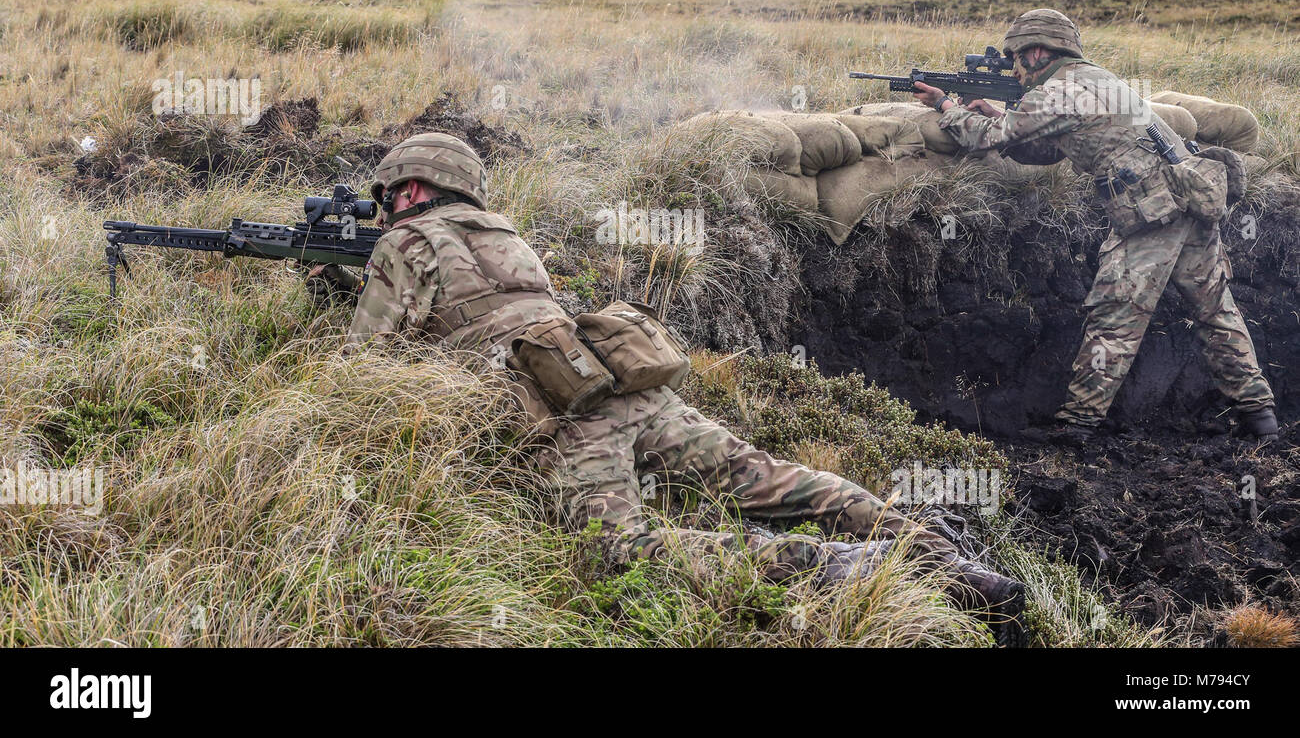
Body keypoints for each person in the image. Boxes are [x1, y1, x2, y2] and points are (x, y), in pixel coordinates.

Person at [307, 131, 1027, 644]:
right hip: (635, 387)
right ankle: (935, 550)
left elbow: (365, 366)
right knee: (771, 478)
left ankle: (847, 566)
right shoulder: (508, 236)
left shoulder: (400, 243)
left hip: (565, 421)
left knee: (621, 551)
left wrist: (338, 288)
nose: (383, 209)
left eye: (387, 196)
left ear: (407, 187)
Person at [911, 9, 1279, 444]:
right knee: (1215, 309)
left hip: (1153, 209)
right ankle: (1260, 418)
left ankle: (1076, 424)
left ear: (1036, 52)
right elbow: (1052, 149)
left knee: (1117, 312)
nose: (1012, 68)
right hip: (1191, 194)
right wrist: (1000, 116)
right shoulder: (1094, 78)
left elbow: (987, 137)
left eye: (1014, 57)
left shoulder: (1061, 88)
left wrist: (946, 107)